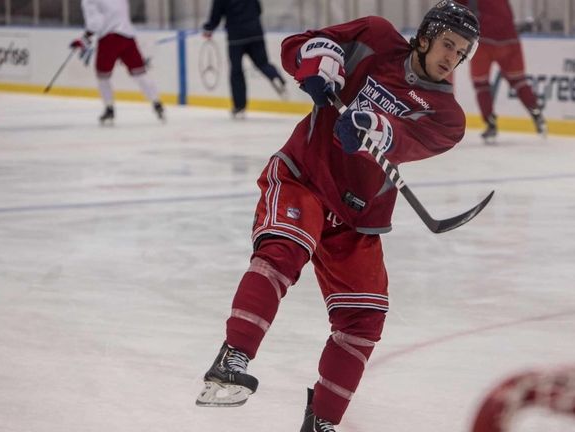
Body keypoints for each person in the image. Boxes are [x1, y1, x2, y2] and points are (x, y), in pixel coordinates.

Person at [195, 2, 479, 431]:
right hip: (304, 176)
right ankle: (233, 357)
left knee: (364, 319)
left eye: (460, 53)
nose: (451, 58)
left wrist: (376, 127)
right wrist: (316, 62)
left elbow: (403, 141)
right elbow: (296, 47)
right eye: (447, 45)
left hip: (357, 213)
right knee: (284, 250)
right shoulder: (376, 37)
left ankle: (322, 423)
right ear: (424, 37)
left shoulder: (447, 116)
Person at [458, 0, 546, 143]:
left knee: (481, 84)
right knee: (518, 80)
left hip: (484, 38)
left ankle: (490, 123)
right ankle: (536, 112)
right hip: (509, 37)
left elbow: (457, 8)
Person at [69, 0, 165, 125]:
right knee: (140, 73)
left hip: (109, 39)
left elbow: (95, 24)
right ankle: (157, 103)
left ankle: (109, 108)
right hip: (128, 36)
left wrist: (84, 39)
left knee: (103, 76)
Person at [202, 0, 287, 119]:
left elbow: (216, 14)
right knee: (263, 63)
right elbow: (259, 9)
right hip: (255, 31)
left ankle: (239, 106)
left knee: (236, 71)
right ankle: (275, 76)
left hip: (236, 36)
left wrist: (208, 28)